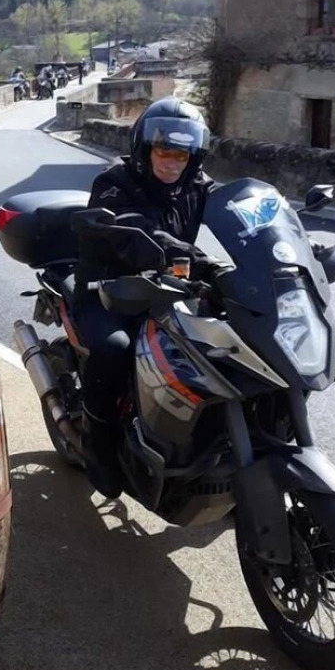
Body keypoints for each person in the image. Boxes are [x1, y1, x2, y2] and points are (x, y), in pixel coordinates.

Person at [74, 97, 218, 498]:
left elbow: (236, 207)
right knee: (116, 349)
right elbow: (133, 231)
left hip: (169, 287)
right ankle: (97, 444)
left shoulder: (195, 186)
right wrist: (193, 257)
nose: (172, 162)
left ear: (194, 156)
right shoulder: (114, 183)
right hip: (108, 292)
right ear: (145, 149)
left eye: (182, 153)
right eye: (164, 151)